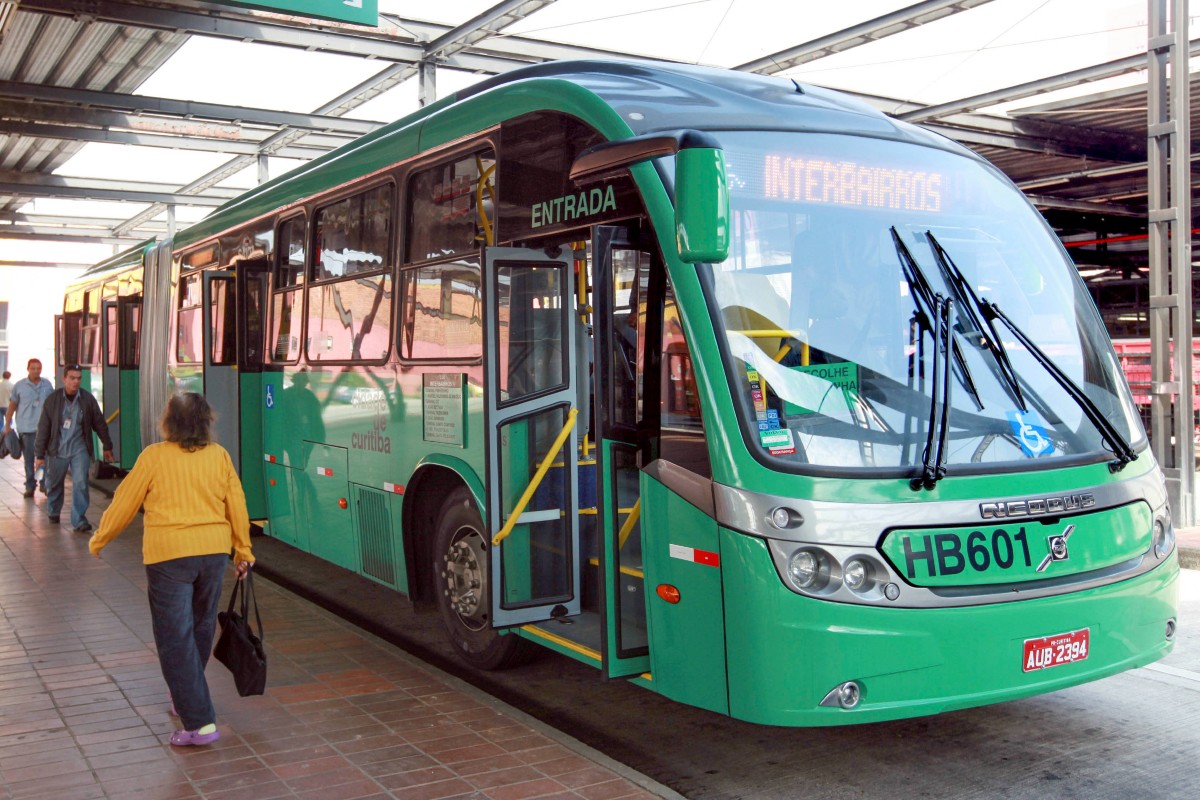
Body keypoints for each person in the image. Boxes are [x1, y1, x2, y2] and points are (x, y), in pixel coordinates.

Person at [88, 392, 254, 747]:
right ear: (205, 421)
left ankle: (200, 723)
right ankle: (184, 695)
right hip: (212, 554)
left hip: (168, 558)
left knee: (174, 637)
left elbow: (125, 502)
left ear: (170, 422)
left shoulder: (154, 457)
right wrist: (243, 549)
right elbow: (236, 503)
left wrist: (100, 539)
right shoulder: (219, 457)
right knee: (200, 627)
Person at [33, 364, 112, 530]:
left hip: (79, 449)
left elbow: (99, 423)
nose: (76, 382)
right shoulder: (53, 400)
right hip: (57, 450)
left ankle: (79, 520)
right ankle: (53, 511)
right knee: (54, 484)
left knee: (81, 482)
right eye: (72, 378)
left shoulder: (87, 399)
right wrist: (40, 455)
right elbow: (43, 428)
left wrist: (107, 445)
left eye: (78, 378)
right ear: (64, 379)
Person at [4, 359, 54, 498]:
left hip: (44, 430)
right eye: (33, 368)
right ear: (28, 369)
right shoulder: (19, 386)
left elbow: (53, 405)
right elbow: (12, 407)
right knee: (29, 460)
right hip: (27, 430)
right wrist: (7, 426)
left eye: (39, 368)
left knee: (43, 459)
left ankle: (43, 483)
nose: (36, 371)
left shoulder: (47, 385)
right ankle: (30, 485)